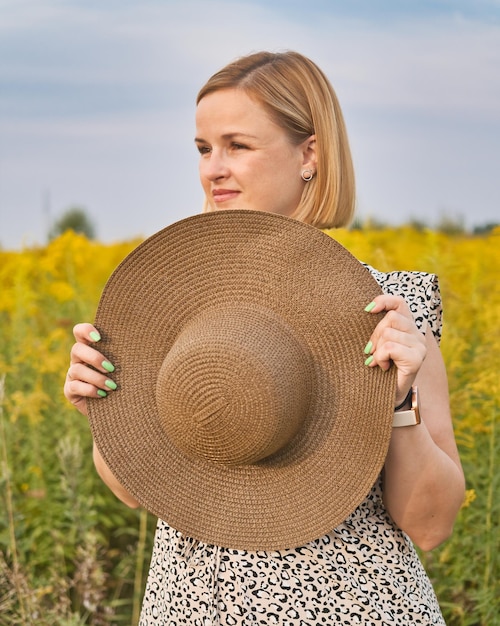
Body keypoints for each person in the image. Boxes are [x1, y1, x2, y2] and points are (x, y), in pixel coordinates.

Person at [64, 51, 465, 624]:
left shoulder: (387, 310)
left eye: (238, 146)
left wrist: (399, 403)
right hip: (188, 608)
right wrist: (106, 413)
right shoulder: (169, 304)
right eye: (204, 149)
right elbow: (133, 492)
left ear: (310, 154)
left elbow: (430, 526)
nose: (212, 169)